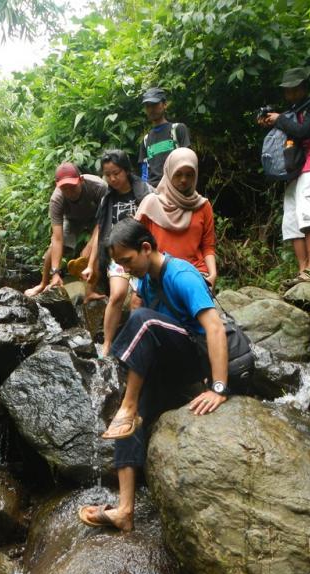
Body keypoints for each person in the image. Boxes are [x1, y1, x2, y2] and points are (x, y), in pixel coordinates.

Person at [78, 219, 250, 533]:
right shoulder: (146, 281)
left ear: (146, 248)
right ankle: (124, 510)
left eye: (128, 262)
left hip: (196, 357)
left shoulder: (182, 275)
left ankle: (129, 404)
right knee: (127, 423)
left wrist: (218, 387)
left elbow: (213, 328)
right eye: (121, 266)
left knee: (142, 320)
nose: (127, 271)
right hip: (170, 360)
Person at [260, 66, 310, 286]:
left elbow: (304, 131)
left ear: (302, 87)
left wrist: (279, 118)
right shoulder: (292, 110)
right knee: (292, 219)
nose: (288, 93)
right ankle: (303, 270)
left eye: (292, 89)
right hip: (294, 170)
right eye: (286, 89)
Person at [81, 150, 154, 357]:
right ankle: (107, 344)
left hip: (141, 254)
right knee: (117, 295)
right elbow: (100, 233)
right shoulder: (107, 199)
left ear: (126, 170)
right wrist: (91, 264)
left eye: (117, 173)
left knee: (137, 300)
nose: (113, 179)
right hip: (118, 256)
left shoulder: (145, 191)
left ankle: (136, 343)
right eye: (108, 175)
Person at [135, 147, 217, 289]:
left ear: (196, 175)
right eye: (178, 174)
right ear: (168, 172)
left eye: (189, 175)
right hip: (159, 273)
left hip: (195, 272)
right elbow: (136, 243)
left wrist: (213, 274)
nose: (184, 180)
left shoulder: (203, 206)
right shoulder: (151, 204)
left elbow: (208, 246)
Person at [24, 162, 107, 298]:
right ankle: (43, 283)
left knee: (96, 249)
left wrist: (90, 244)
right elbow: (57, 238)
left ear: (81, 180)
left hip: (96, 219)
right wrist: (56, 272)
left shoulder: (98, 187)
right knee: (53, 248)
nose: (69, 192)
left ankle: (90, 291)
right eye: (64, 189)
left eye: (72, 187)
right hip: (72, 220)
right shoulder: (56, 199)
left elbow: (103, 222)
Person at [138, 87, 190, 187]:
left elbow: (188, 161)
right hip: (154, 192)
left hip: (177, 187)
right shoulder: (146, 140)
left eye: (155, 104)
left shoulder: (178, 129)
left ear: (165, 104)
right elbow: (144, 173)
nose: (151, 109)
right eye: (148, 106)